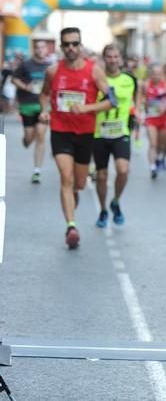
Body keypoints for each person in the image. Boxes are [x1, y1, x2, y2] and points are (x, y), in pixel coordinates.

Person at [39, 27, 115, 248]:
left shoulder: (94, 71)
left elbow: (112, 101)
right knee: (66, 177)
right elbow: (44, 94)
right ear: (61, 47)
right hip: (61, 131)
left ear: (80, 45)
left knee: (79, 183)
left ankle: (72, 199)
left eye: (74, 44)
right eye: (66, 44)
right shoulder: (53, 71)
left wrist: (86, 108)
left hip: (85, 133)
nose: (71, 48)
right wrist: (44, 110)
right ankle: (71, 226)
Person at [93, 44, 136, 227]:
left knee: (123, 170)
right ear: (104, 59)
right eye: (109, 57)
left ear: (121, 58)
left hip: (121, 132)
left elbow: (134, 101)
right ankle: (103, 210)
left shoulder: (129, 79)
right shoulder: (96, 80)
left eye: (116, 56)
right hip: (99, 133)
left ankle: (115, 201)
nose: (113, 60)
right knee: (101, 176)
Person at [12, 40, 51, 183]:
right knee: (29, 138)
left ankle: (37, 171)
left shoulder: (51, 66)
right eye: (37, 47)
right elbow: (14, 79)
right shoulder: (26, 64)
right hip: (27, 104)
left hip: (44, 107)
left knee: (41, 134)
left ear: (47, 49)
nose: (40, 50)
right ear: (34, 49)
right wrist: (25, 86)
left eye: (43, 47)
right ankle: (27, 139)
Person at [139, 64, 166, 179]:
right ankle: (152, 167)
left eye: (158, 74)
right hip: (151, 119)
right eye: (154, 73)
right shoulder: (145, 85)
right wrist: (141, 111)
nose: (156, 76)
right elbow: (140, 100)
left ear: (162, 75)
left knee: (162, 144)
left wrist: (165, 105)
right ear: (150, 74)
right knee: (153, 143)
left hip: (163, 119)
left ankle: (159, 158)